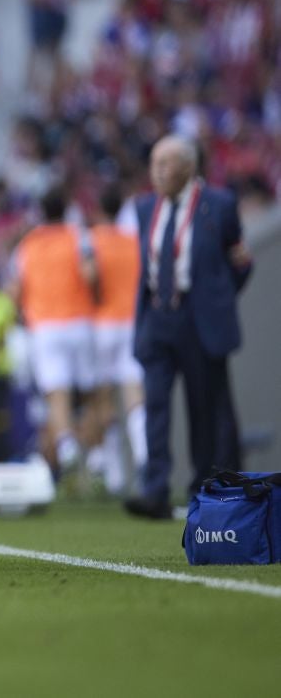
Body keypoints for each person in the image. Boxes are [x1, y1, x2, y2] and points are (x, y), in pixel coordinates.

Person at [125, 136, 252, 519]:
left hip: (198, 320)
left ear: (189, 167)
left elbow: (240, 261)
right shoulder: (146, 207)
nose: (157, 171)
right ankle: (155, 489)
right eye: (154, 163)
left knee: (203, 408)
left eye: (165, 164)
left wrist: (218, 300)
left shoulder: (220, 205)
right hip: (158, 319)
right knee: (155, 407)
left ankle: (203, 486)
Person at [12, 187, 96, 476]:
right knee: (88, 394)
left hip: (45, 326)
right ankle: (94, 457)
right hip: (80, 322)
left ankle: (68, 446)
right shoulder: (79, 236)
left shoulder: (28, 244)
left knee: (56, 393)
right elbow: (90, 274)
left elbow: (16, 289)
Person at [89, 183, 145, 493]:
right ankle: (144, 456)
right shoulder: (134, 240)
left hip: (103, 324)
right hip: (132, 322)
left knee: (103, 397)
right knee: (134, 392)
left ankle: (114, 474)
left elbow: (89, 277)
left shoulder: (93, 240)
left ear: (99, 211)